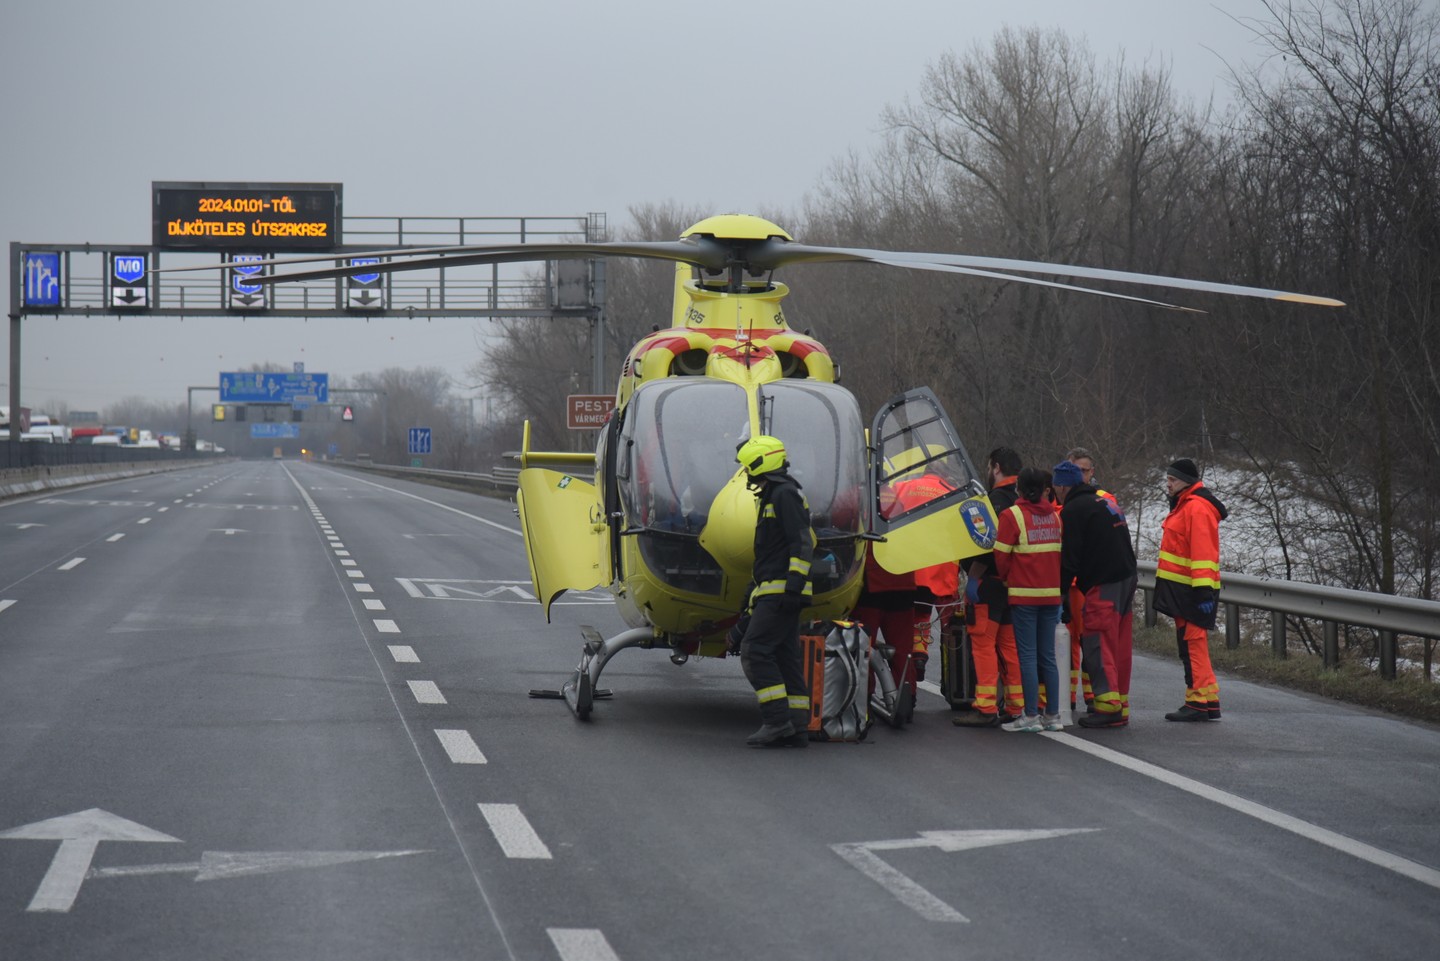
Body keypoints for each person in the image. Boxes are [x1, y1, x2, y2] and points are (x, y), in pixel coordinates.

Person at [731, 435, 816, 746]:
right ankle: (797, 726)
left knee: (755, 652)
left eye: (748, 469)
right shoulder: (775, 495)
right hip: (778, 591)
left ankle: (777, 721)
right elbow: (770, 556)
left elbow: (801, 541)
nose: (747, 475)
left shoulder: (784, 495)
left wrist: (793, 585)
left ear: (759, 466)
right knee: (784, 656)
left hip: (783, 592)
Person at [1053, 459, 1138, 729]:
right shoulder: (1105, 502)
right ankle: (1120, 703)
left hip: (1104, 582)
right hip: (1127, 577)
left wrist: (1060, 595)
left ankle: (1107, 706)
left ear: (1062, 487)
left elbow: (1069, 559)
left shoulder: (1073, 510)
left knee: (1097, 640)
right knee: (1119, 643)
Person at [952, 448, 1024, 728]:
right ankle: (1016, 705)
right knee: (1009, 646)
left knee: (983, 644)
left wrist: (971, 576)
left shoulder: (990, 503)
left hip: (987, 585)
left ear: (995, 468)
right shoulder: (1022, 501)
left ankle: (985, 707)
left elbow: (983, 545)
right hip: (1014, 587)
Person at [1155, 458, 1228, 722]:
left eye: (1172, 479)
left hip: (1192, 590)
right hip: (1185, 589)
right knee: (1192, 644)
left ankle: (1197, 702)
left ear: (1186, 481)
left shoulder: (1195, 508)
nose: (1169, 483)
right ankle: (1207, 699)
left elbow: (1202, 553)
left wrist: (1203, 590)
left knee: (1192, 645)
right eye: (1168, 479)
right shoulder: (1185, 505)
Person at [993, 466, 1064, 732]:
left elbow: (1000, 557)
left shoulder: (1012, 515)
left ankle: (1031, 715)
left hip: (1023, 595)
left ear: (1019, 489)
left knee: (1028, 656)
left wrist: (1006, 577)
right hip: (1051, 596)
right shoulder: (1056, 518)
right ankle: (1053, 716)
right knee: (1048, 656)